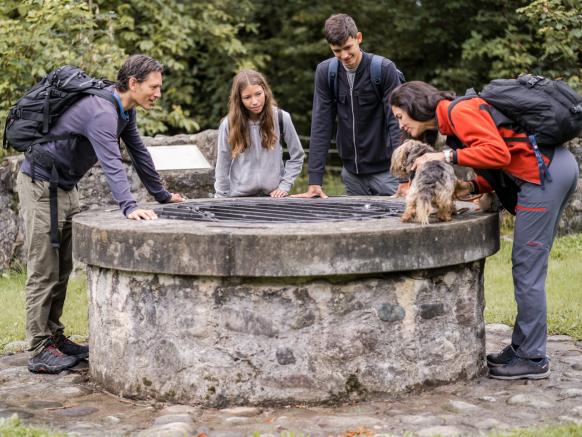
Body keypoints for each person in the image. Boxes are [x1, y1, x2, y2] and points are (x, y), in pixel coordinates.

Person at [389, 81, 579, 380]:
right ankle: (521, 347)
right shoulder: (453, 121)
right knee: (528, 266)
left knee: (527, 268)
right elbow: (505, 154)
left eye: (400, 116)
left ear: (414, 106)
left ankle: (533, 357)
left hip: (545, 175)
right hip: (552, 168)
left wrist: (445, 157)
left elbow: (498, 154)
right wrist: (473, 186)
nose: (400, 124)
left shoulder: (459, 111)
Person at [16, 54, 185, 374]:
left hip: (65, 186)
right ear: (133, 83)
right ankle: (39, 348)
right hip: (40, 186)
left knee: (62, 266)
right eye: (154, 87)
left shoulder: (124, 111)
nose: (158, 94)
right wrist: (130, 206)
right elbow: (111, 163)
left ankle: (54, 336)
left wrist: (162, 195)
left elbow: (138, 153)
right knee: (44, 268)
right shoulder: (102, 111)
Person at [293, 13, 403, 199]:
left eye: (348, 48)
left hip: (388, 173)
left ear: (358, 38)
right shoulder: (326, 72)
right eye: (337, 50)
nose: (344, 56)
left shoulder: (384, 70)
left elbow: (397, 123)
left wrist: (404, 178)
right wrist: (314, 181)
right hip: (351, 175)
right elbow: (321, 125)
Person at [214, 69, 304, 198]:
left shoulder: (281, 117)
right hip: (239, 197)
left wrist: (285, 185)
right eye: (247, 97)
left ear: (265, 92)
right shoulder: (228, 124)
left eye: (258, 94)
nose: (255, 101)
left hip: (273, 197)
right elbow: (223, 164)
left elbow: (297, 155)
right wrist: (221, 197)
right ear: (239, 99)